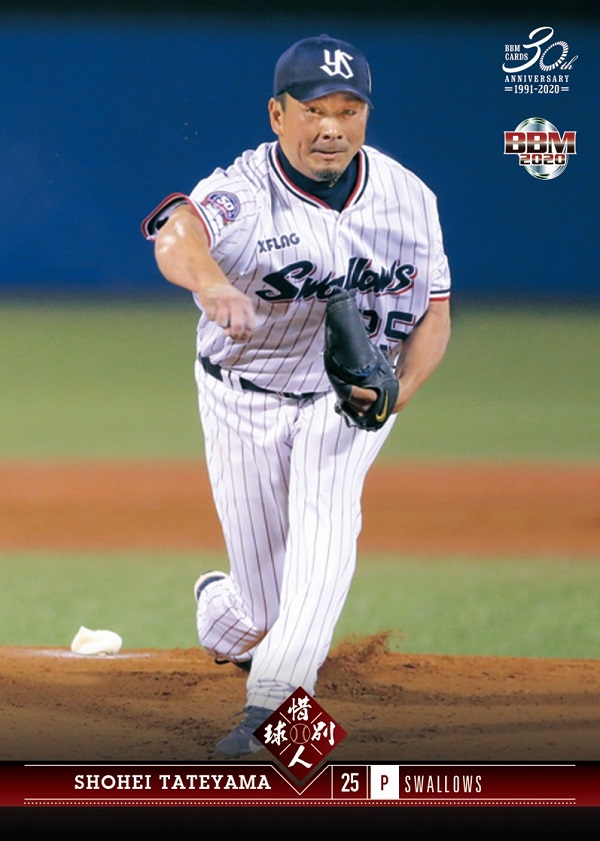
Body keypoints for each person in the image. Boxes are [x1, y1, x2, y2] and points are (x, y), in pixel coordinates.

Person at [142, 33, 451, 759]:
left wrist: (398, 395)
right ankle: (223, 610)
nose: (332, 127)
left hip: (343, 403)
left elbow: (434, 314)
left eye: (349, 109)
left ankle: (274, 721)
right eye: (314, 109)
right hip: (241, 396)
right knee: (260, 607)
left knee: (324, 534)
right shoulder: (246, 192)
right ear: (277, 115)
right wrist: (212, 283)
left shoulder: (410, 198)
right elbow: (177, 234)